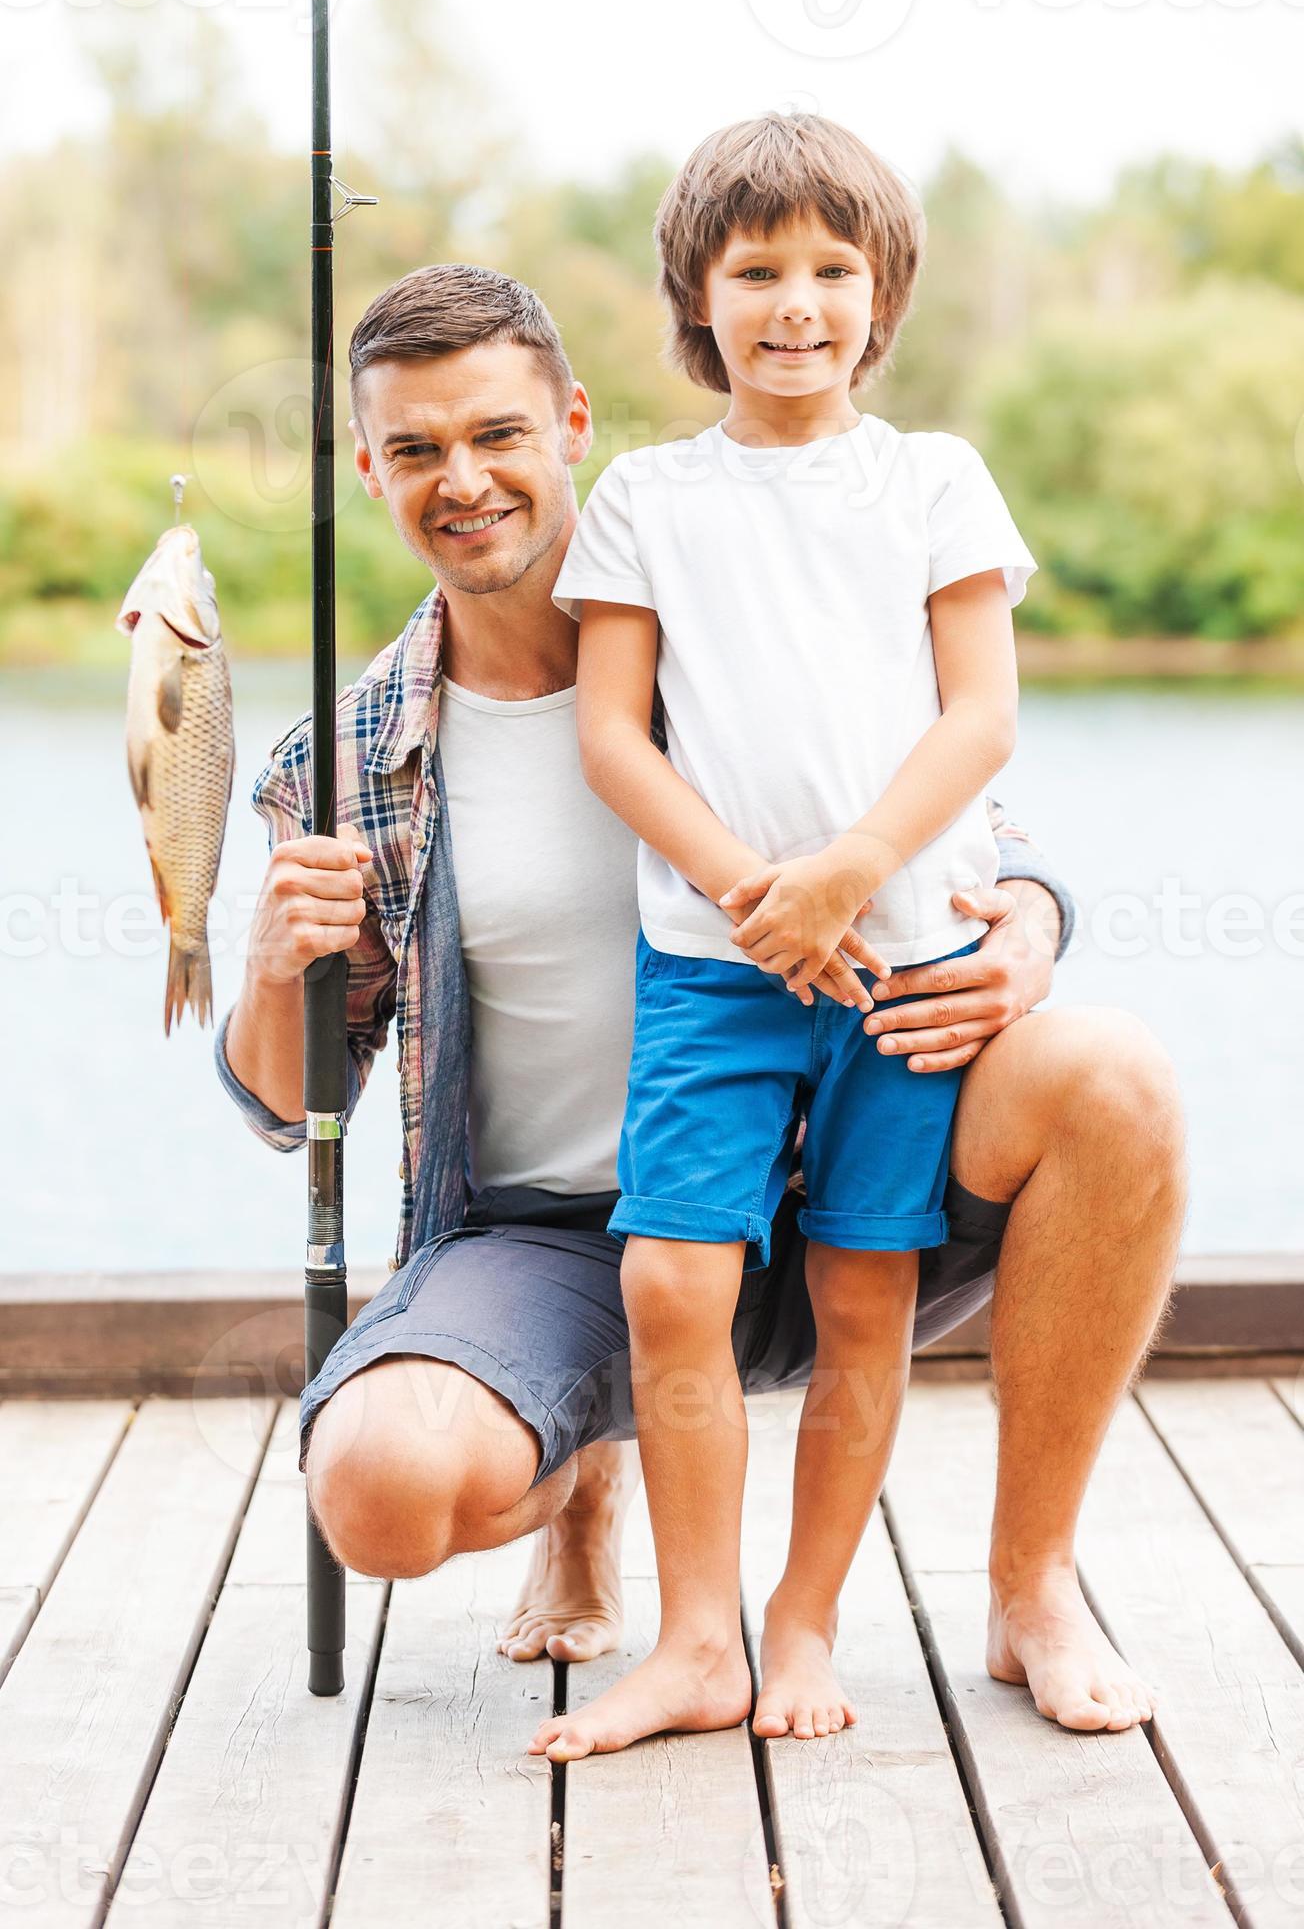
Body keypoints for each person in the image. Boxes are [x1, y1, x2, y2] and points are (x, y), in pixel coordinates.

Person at [216, 255, 1185, 1750]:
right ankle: (582, 1465)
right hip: (560, 1239)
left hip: (835, 1178)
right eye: (414, 449)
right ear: (366, 469)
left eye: (497, 434)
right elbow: (292, 1104)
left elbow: (974, 814)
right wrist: (274, 966)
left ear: (574, 426)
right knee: (381, 1492)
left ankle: (1033, 1585)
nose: (461, 479)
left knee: (1116, 1078)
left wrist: (1036, 923)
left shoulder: (728, 623)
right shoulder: (347, 758)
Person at [527, 110, 1026, 1762]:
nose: (796, 300)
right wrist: (763, 892)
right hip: (716, 965)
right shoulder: (650, 498)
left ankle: (802, 1619)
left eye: (833, 266)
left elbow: (981, 713)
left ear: (882, 295)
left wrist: (857, 867)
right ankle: (693, 1639)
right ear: (698, 293)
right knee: (674, 1276)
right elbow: (614, 739)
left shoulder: (935, 478)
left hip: (904, 966)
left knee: (865, 1288)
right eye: (757, 269)